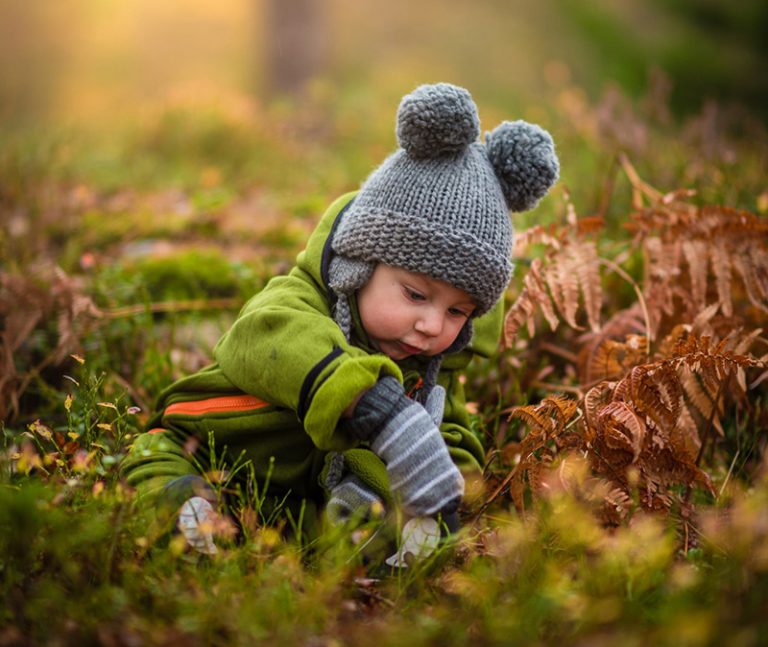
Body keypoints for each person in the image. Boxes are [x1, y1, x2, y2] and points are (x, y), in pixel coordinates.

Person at [121, 82, 559, 555]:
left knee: (376, 515)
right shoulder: (297, 303)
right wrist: (375, 406)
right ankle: (186, 513)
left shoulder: (431, 367)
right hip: (208, 445)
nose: (432, 325)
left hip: (297, 499)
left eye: (457, 311)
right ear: (359, 266)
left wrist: (443, 489)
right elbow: (264, 337)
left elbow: (450, 430)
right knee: (159, 463)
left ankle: (355, 538)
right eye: (415, 295)